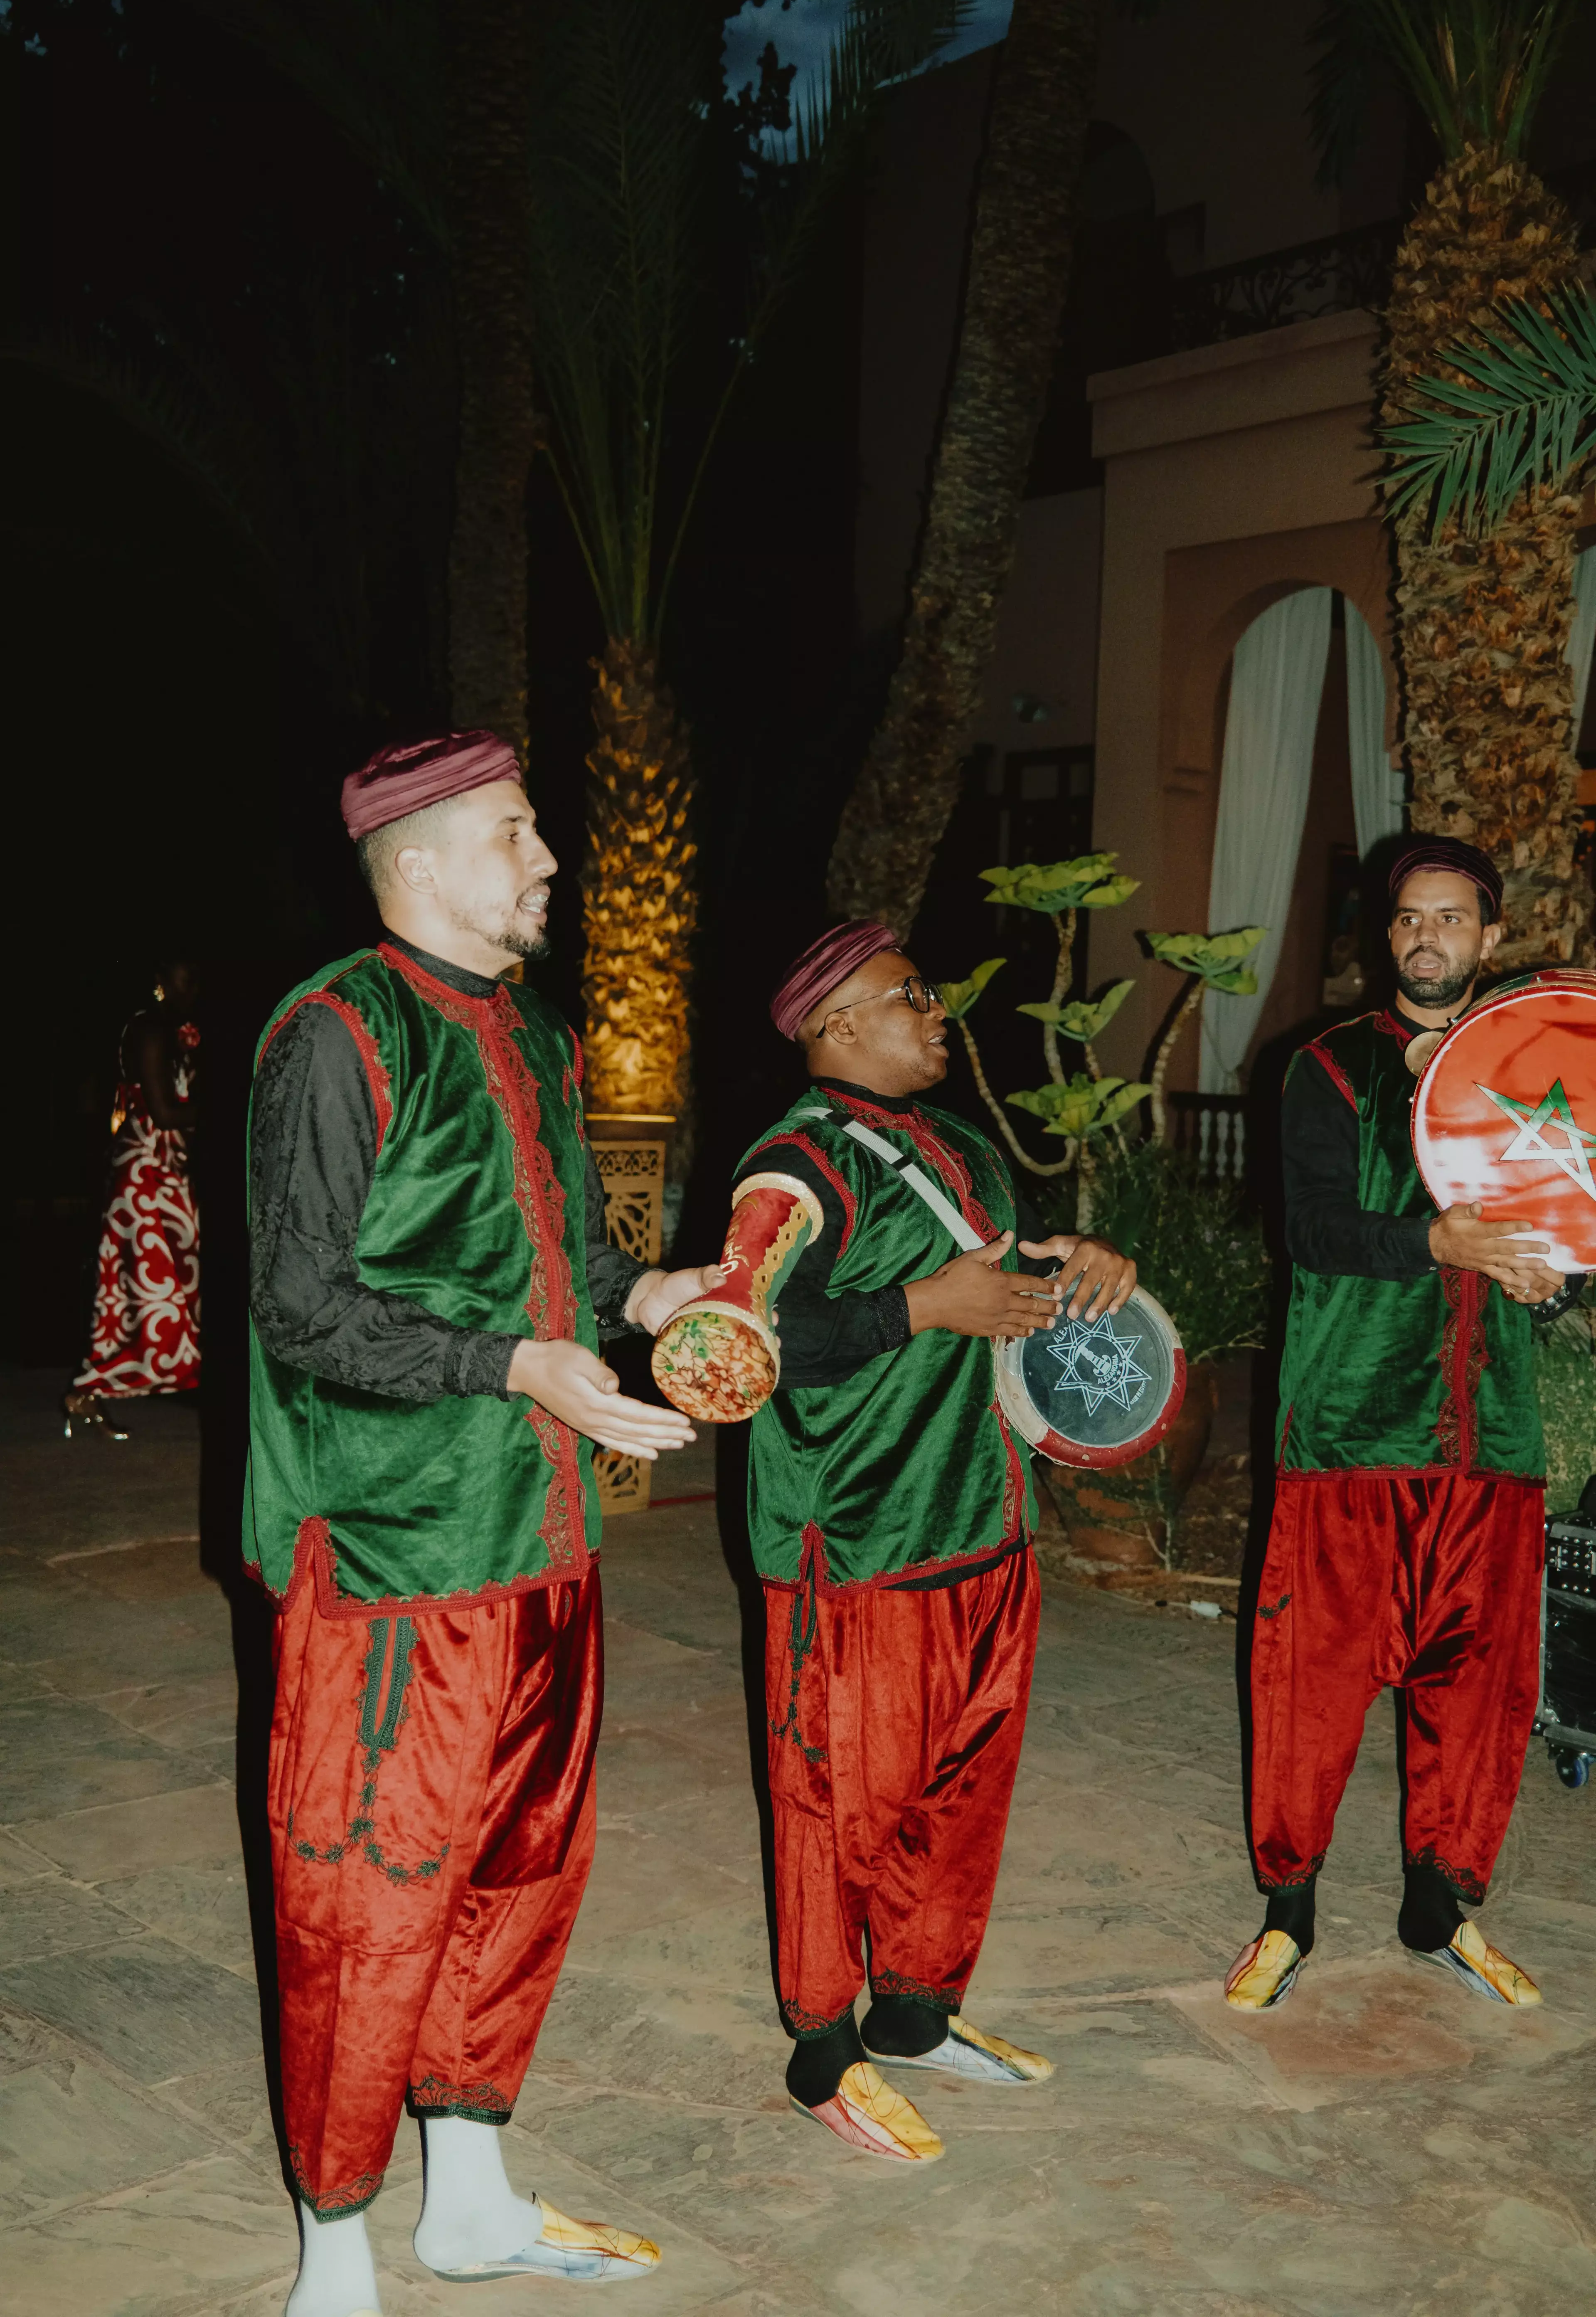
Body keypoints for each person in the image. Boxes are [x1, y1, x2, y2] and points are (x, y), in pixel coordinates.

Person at [247, 730, 725, 2316]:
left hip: (542, 1536)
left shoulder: (535, 1029)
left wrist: (653, 1293)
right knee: (362, 1893)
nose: (549, 859)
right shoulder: (333, 1031)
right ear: (426, 862)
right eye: (518, 833)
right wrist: (514, 1361)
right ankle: (334, 2249)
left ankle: (469, 2196)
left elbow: (568, 1252)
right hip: (395, 1551)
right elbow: (303, 1308)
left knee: (521, 1873)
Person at [736, 920, 1136, 2162]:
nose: (937, 1011)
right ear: (834, 1026)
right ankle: (821, 2050)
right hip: (855, 1542)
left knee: (955, 1795)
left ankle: (913, 2013)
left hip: (979, 1519)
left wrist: (1080, 1262)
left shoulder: (958, 1144)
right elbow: (745, 1331)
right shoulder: (793, 1164)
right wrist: (920, 1308)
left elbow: (993, 1275)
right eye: (909, 996)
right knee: (834, 1804)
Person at [1226, 842, 1556, 2016]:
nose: (1428, 939)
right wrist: (1437, 1242)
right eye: (1410, 920)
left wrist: (1552, 1281)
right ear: (1388, 937)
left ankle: (1440, 1909)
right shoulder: (1325, 1066)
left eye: (1453, 920)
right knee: (1310, 1686)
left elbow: (1574, 1233)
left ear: (1492, 936)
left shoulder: (1540, 1071)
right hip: (1352, 1430)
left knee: (1477, 1695)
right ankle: (1287, 1914)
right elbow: (1312, 1228)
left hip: (1491, 1439)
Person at [64, 958, 202, 1437]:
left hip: (166, 1170)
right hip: (147, 1172)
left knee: (172, 1287)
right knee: (145, 1289)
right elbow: (164, 1113)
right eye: (185, 977)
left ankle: (168, 1379)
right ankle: (90, 1388)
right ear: (161, 982)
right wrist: (230, 1104)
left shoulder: (174, 1029)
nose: (193, 986)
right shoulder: (149, 1030)